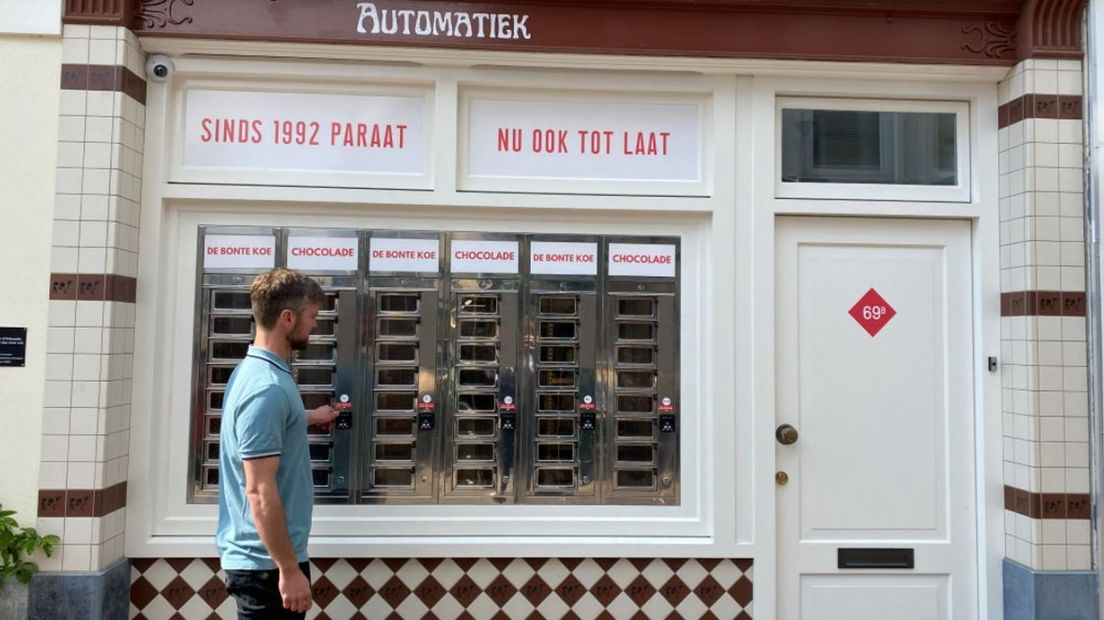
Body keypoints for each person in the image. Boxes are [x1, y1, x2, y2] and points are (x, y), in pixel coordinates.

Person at [216, 268, 339, 619]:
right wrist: (288, 569)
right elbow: (258, 490)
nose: (315, 325)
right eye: (312, 317)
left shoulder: (255, 371)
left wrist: (308, 417)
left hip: (266, 559)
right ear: (288, 318)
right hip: (266, 565)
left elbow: (268, 426)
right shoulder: (267, 388)